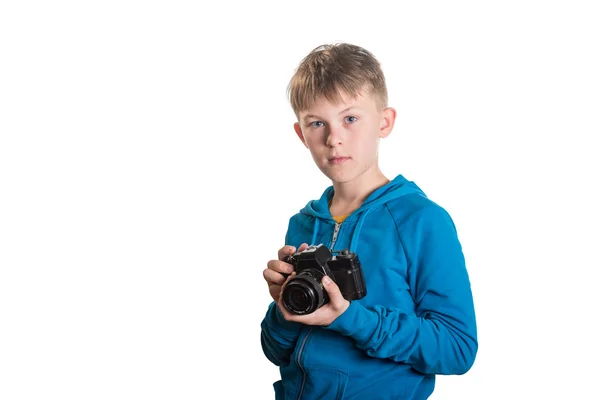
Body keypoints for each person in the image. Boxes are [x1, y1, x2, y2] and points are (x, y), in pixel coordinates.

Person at [260, 42, 478, 400]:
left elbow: (456, 348)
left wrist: (347, 317)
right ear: (301, 134)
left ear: (384, 122)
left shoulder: (423, 222)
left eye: (350, 118)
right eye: (317, 123)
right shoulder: (302, 224)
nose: (334, 139)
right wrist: (284, 309)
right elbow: (276, 351)